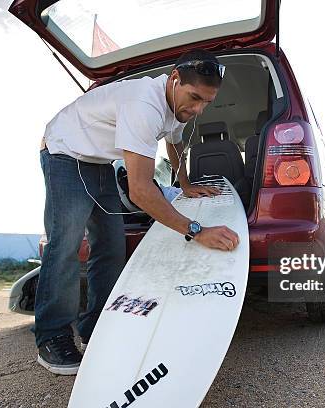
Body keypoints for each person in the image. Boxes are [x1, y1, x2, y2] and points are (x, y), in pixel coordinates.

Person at [36, 49, 240, 375]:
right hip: (65, 151)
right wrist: (197, 230)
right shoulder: (144, 104)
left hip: (98, 160)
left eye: (207, 102)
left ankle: (95, 329)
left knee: (111, 246)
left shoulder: (177, 106)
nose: (199, 108)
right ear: (175, 80)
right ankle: (51, 338)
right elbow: (141, 191)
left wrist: (184, 182)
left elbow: (173, 141)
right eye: (195, 97)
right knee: (66, 245)